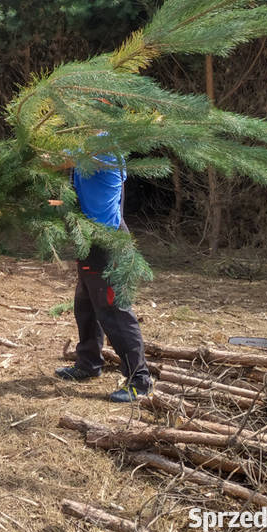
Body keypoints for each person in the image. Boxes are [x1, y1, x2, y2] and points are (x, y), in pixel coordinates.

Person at [53, 147, 153, 402]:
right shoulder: (88, 143)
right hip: (89, 239)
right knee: (85, 305)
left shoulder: (101, 146)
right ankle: (88, 363)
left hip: (105, 242)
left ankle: (139, 381)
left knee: (114, 310)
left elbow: (55, 159)